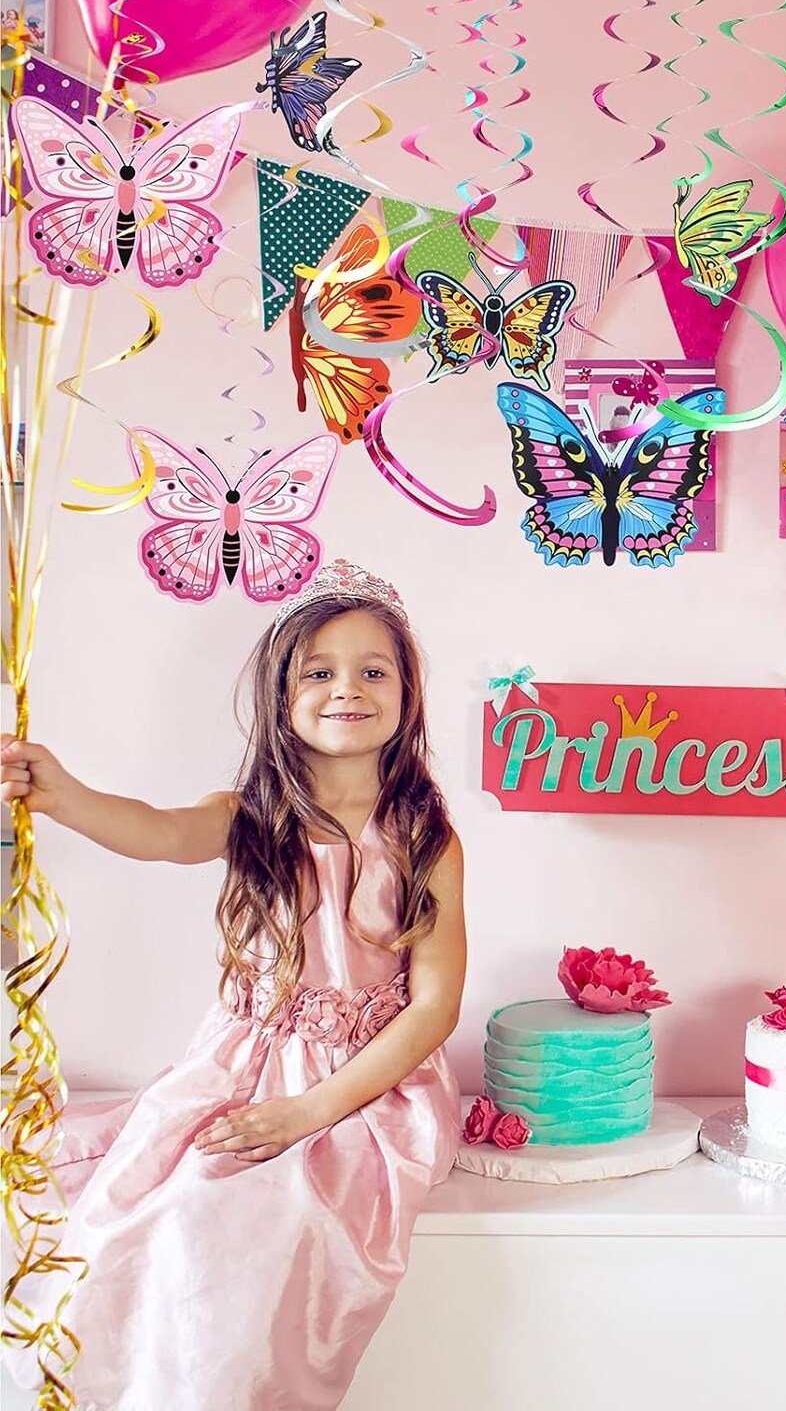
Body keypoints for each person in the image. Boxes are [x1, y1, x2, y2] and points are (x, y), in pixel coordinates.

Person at [1, 559, 465, 1410]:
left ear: (408, 694)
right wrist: (65, 798)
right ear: (281, 699)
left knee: (254, 1215)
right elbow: (157, 832)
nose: (347, 688)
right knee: (137, 1197)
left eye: (374, 671)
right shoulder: (250, 816)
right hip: (241, 1065)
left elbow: (434, 1007)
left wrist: (308, 1112)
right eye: (319, 673)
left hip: (367, 1088)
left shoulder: (425, 838)